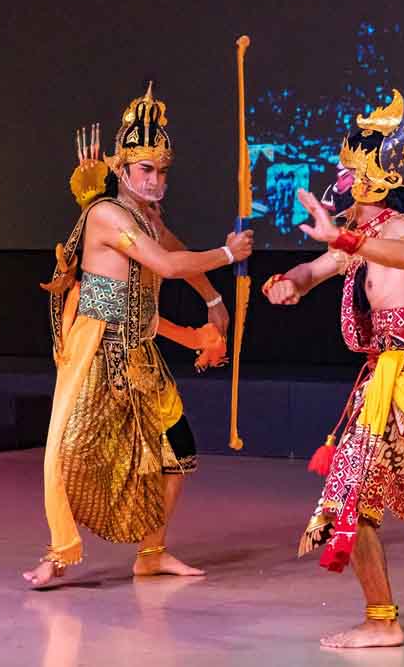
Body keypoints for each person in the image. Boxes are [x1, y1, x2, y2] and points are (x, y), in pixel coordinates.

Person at [264, 90, 404, 648]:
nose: (341, 183)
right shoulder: (366, 236)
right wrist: (290, 283)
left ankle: (382, 621)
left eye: (350, 174)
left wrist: (344, 237)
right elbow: (317, 268)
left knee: (349, 495)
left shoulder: (402, 230)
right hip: (403, 381)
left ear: (373, 182)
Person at [23, 83, 253, 588]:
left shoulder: (146, 218)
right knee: (72, 452)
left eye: (162, 172)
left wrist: (213, 301)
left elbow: (173, 248)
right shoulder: (106, 215)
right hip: (100, 355)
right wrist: (229, 254)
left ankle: (152, 552)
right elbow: (166, 265)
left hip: (140, 354)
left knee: (179, 451)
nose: (156, 180)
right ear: (122, 169)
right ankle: (58, 554)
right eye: (146, 170)